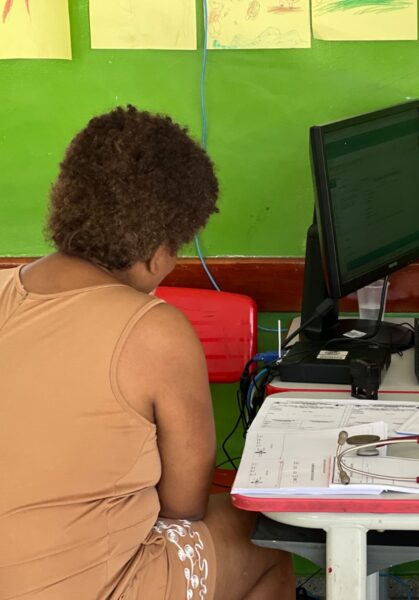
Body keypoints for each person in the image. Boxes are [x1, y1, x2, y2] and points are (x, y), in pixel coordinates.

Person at [0, 106, 295, 599]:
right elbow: (183, 505)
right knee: (262, 536)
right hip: (86, 588)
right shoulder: (155, 330)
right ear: (158, 251)